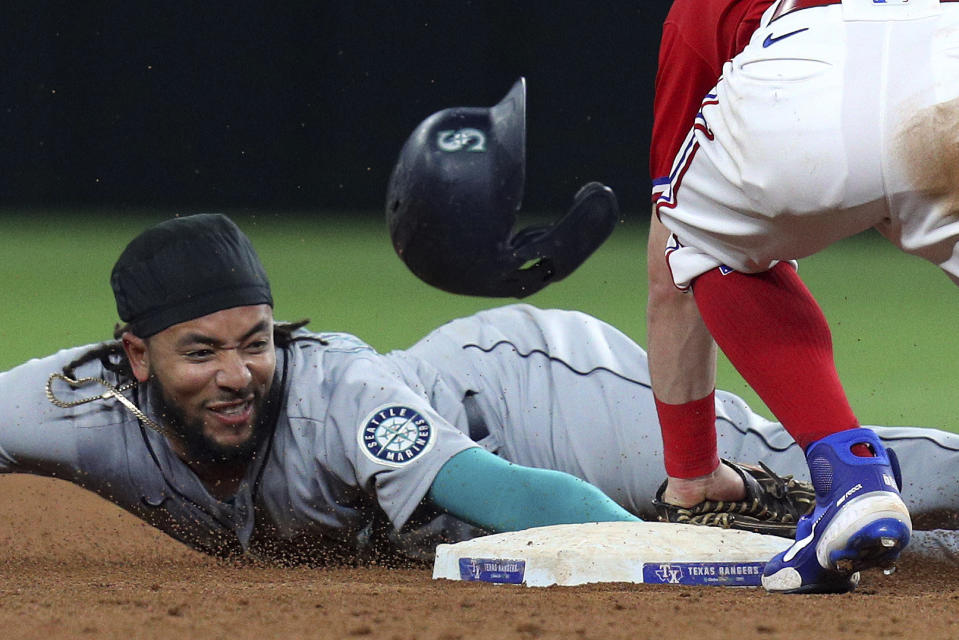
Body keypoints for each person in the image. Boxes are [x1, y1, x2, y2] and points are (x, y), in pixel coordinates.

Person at [3, 214, 959, 570]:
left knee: (808, 476)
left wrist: (678, 570)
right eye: (199, 352)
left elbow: (525, 502)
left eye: (255, 342)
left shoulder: (338, 398)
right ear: (133, 356)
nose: (236, 374)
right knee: (837, 544)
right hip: (479, 479)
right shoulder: (78, 409)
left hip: (537, 399)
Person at [647, 0, 959, 593]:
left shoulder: (697, 12)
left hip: (799, 84)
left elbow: (671, 269)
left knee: (701, 241)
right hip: (949, 66)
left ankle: (854, 481)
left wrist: (691, 475)